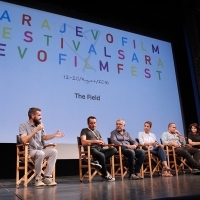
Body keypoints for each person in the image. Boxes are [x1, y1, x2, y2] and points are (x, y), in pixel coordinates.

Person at [19, 107, 65, 187]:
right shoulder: (23, 125)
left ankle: (47, 177)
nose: (41, 117)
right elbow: (24, 140)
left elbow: (44, 137)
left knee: (54, 152)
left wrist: (54, 135)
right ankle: (38, 179)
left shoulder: (39, 125)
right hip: (30, 151)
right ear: (32, 116)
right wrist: (36, 130)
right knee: (40, 153)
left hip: (40, 150)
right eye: (39, 115)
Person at [80, 116, 117, 181]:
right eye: (91, 123)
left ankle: (97, 162)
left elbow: (101, 141)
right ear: (88, 123)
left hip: (99, 148)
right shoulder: (84, 130)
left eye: (94, 123)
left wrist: (102, 143)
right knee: (101, 155)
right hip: (91, 148)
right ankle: (105, 174)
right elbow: (83, 142)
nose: (93, 125)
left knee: (114, 149)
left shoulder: (97, 132)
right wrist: (96, 141)